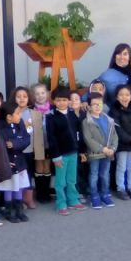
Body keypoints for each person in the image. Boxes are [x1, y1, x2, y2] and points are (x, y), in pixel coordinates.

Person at [46, 87, 87, 216]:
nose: (62, 102)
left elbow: (78, 134)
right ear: (54, 101)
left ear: (69, 101)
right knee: (60, 181)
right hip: (61, 155)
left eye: (64, 100)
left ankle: (73, 200)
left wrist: (81, 151)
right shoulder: (51, 117)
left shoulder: (72, 114)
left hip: (73, 152)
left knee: (71, 179)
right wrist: (56, 156)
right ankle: (61, 203)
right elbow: (51, 138)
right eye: (58, 100)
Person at [0, 101, 31, 223]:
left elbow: (26, 140)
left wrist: (14, 144)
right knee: (9, 187)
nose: (20, 115)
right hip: (8, 163)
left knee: (19, 186)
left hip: (19, 162)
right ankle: (9, 211)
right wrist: (4, 162)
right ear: (9, 116)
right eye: (18, 113)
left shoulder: (19, 124)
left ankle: (19, 210)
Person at [9, 86, 44, 209]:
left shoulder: (34, 113)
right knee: (18, 175)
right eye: (18, 96)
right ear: (14, 98)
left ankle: (28, 199)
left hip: (30, 150)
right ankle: (18, 200)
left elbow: (39, 133)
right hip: (17, 151)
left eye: (24, 96)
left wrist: (39, 150)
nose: (22, 99)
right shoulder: (11, 113)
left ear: (29, 98)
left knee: (29, 174)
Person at [82, 92, 118, 209]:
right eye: (94, 104)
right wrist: (103, 149)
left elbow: (114, 136)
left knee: (105, 175)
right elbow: (88, 139)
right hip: (95, 154)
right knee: (94, 175)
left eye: (100, 104)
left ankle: (105, 194)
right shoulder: (86, 121)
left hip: (108, 154)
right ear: (89, 106)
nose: (97, 107)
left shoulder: (108, 119)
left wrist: (112, 148)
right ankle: (94, 196)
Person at [31, 83, 52, 203]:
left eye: (43, 93)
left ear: (47, 94)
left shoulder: (52, 109)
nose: (40, 96)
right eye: (37, 94)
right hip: (37, 144)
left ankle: (47, 193)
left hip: (49, 143)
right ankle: (40, 193)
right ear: (34, 96)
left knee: (47, 167)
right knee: (39, 166)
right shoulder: (31, 110)